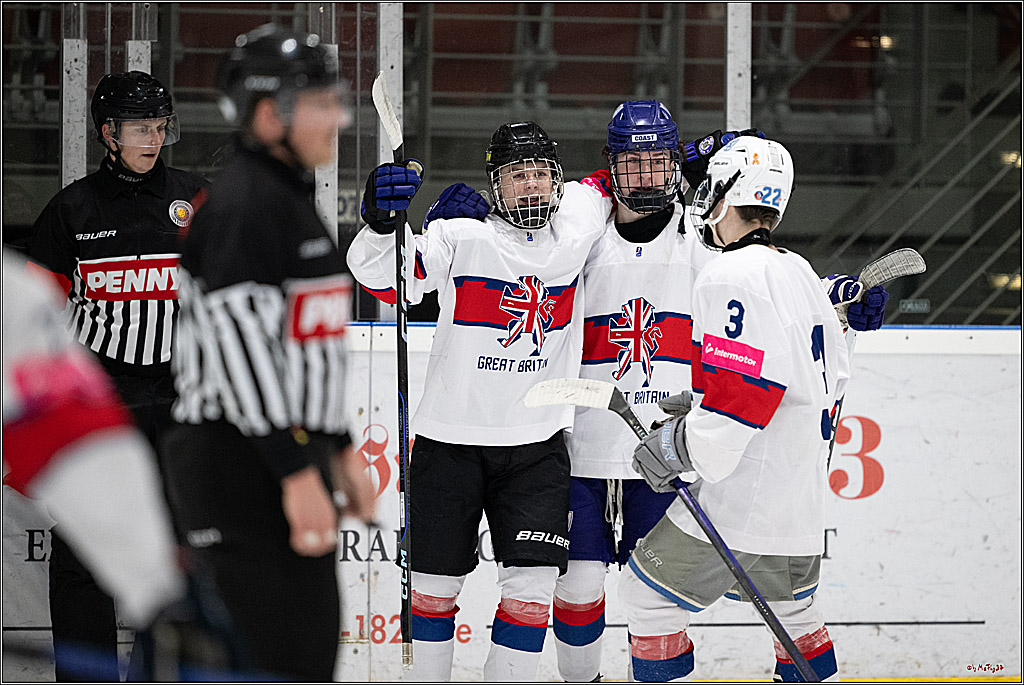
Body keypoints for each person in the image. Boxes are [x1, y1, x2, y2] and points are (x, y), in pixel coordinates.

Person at [424, 106, 888, 683]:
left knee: (653, 602)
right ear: (609, 166)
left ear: (678, 167)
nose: (645, 177)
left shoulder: (702, 239)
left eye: (658, 162)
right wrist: (472, 226)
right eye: (631, 163)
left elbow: (762, 297)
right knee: (581, 583)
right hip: (590, 441)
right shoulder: (580, 227)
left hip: (669, 450)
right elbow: (524, 251)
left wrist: (835, 298)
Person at [348, 121, 612, 681]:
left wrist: (689, 163)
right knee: (433, 592)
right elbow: (384, 277)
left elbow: (617, 177)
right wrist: (381, 222)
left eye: (540, 173)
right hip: (449, 445)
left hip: (537, 448)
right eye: (517, 175)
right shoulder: (460, 235)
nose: (531, 187)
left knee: (533, 591)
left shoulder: (577, 225)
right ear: (495, 183)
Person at [161, 23, 374, 681]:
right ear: (267, 112)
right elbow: (240, 348)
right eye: (319, 102)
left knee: (304, 652)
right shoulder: (244, 203)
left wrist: (336, 445)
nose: (336, 117)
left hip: (283, 449)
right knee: (264, 657)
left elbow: (306, 345)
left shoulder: (289, 197)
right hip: (237, 460)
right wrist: (295, 471)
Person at [620, 136, 847, 682]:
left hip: (742, 495)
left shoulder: (730, 274)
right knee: (795, 616)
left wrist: (683, 445)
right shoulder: (797, 271)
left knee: (646, 601)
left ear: (725, 193)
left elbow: (745, 396)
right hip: (797, 499)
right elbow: (821, 380)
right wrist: (695, 406)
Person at [25, 69, 208, 681]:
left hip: (183, 401)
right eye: (138, 128)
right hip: (103, 406)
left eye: (159, 128)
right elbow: (36, 326)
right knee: (84, 554)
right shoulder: (72, 209)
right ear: (108, 132)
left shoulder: (197, 199)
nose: (152, 140)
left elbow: (233, 303)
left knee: (188, 553)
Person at [2, 251, 245, 681]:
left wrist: (158, 595)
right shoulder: (70, 218)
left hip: (171, 402)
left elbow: (71, 433)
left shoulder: (14, 298)